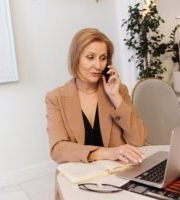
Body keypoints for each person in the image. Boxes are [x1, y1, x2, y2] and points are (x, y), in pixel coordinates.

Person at [45, 28, 147, 165]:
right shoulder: (56, 98)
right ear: (76, 59)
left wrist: (115, 97)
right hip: (79, 175)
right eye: (90, 57)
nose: (98, 66)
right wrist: (107, 153)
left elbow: (139, 140)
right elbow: (58, 150)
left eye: (103, 58)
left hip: (118, 172)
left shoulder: (119, 91)